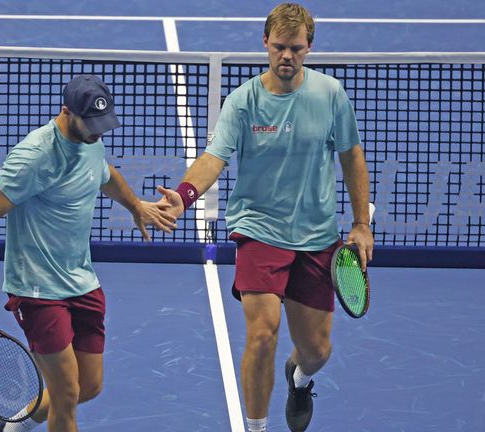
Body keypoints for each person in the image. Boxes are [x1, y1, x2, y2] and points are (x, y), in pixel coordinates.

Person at [156, 3, 373, 431]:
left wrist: (362, 223)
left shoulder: (330, 95)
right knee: (261, 334)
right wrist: (183, 196)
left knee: (317, 350)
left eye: (295, 48)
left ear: (309, 47)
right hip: (259, 232)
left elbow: (351, 156)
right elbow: (213, 158)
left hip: (316, 238)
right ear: (265, 45)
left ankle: (300, 376)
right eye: (279, 47)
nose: (286, 56)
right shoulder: (243, 101)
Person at [0, 74, 176, 432]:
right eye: (91, 125)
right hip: (38, 289)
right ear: (66, 112)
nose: (98, 133)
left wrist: (135, 206)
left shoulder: (91, 138)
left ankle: (9, 427)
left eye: (102, 125)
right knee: (66, 394)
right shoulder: (35, 156)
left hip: (81, 279)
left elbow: (104, 173)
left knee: (88, 386)